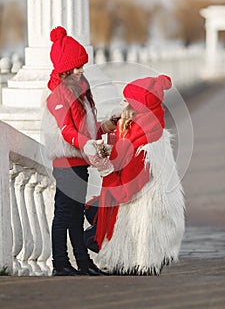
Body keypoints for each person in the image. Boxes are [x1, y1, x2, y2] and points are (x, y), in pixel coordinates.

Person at [84, 75, 185, 275]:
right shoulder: (150, 132)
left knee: (87, 232)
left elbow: (124, 192)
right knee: (91, 210)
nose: (121, 104)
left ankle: (122, 259)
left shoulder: (143, 151)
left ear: (136, 109)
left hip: (137, 220)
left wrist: (106, 168)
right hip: (144, 209)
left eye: (126, 101)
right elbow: (124, 156)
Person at [43, 26, 115, 276]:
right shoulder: (59, 93)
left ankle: (83, 263)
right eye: (77, 67)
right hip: (66, 162)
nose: (81, 70)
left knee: (74, 214)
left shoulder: (80, 89)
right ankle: (60, 264)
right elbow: (67, 129)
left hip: (79, 161)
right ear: (65, 68)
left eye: (82, 65)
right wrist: (86, 144)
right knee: (64, 213)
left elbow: (86, 128)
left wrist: (105, 127)